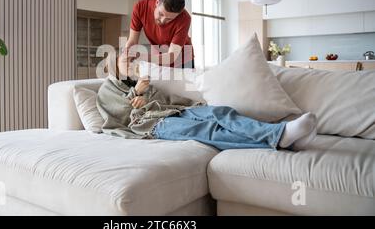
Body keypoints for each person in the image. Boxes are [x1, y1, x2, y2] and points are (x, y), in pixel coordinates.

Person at [96, 53, 317, 151]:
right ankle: (281, 138)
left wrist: (146, 94)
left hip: (174, 112)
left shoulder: (141, 81)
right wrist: (136, 92)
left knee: (220, 112)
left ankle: (280, 134)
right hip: (154, 125)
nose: (131, 60)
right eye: (125, 59)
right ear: (115, 67)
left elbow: (162, 100)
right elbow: (123, 118)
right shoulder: (106, 91)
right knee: (207, 130)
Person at [125, 0, 194, 69]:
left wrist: (140, 56)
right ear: (157, 2)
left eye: (169, 19)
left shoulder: (185, 18)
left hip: (183, 59)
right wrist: (126, 55)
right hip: (159, 57)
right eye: (161, 14)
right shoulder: (141, 6)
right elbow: (132, 41)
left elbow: (171, 57)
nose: (162, 20)